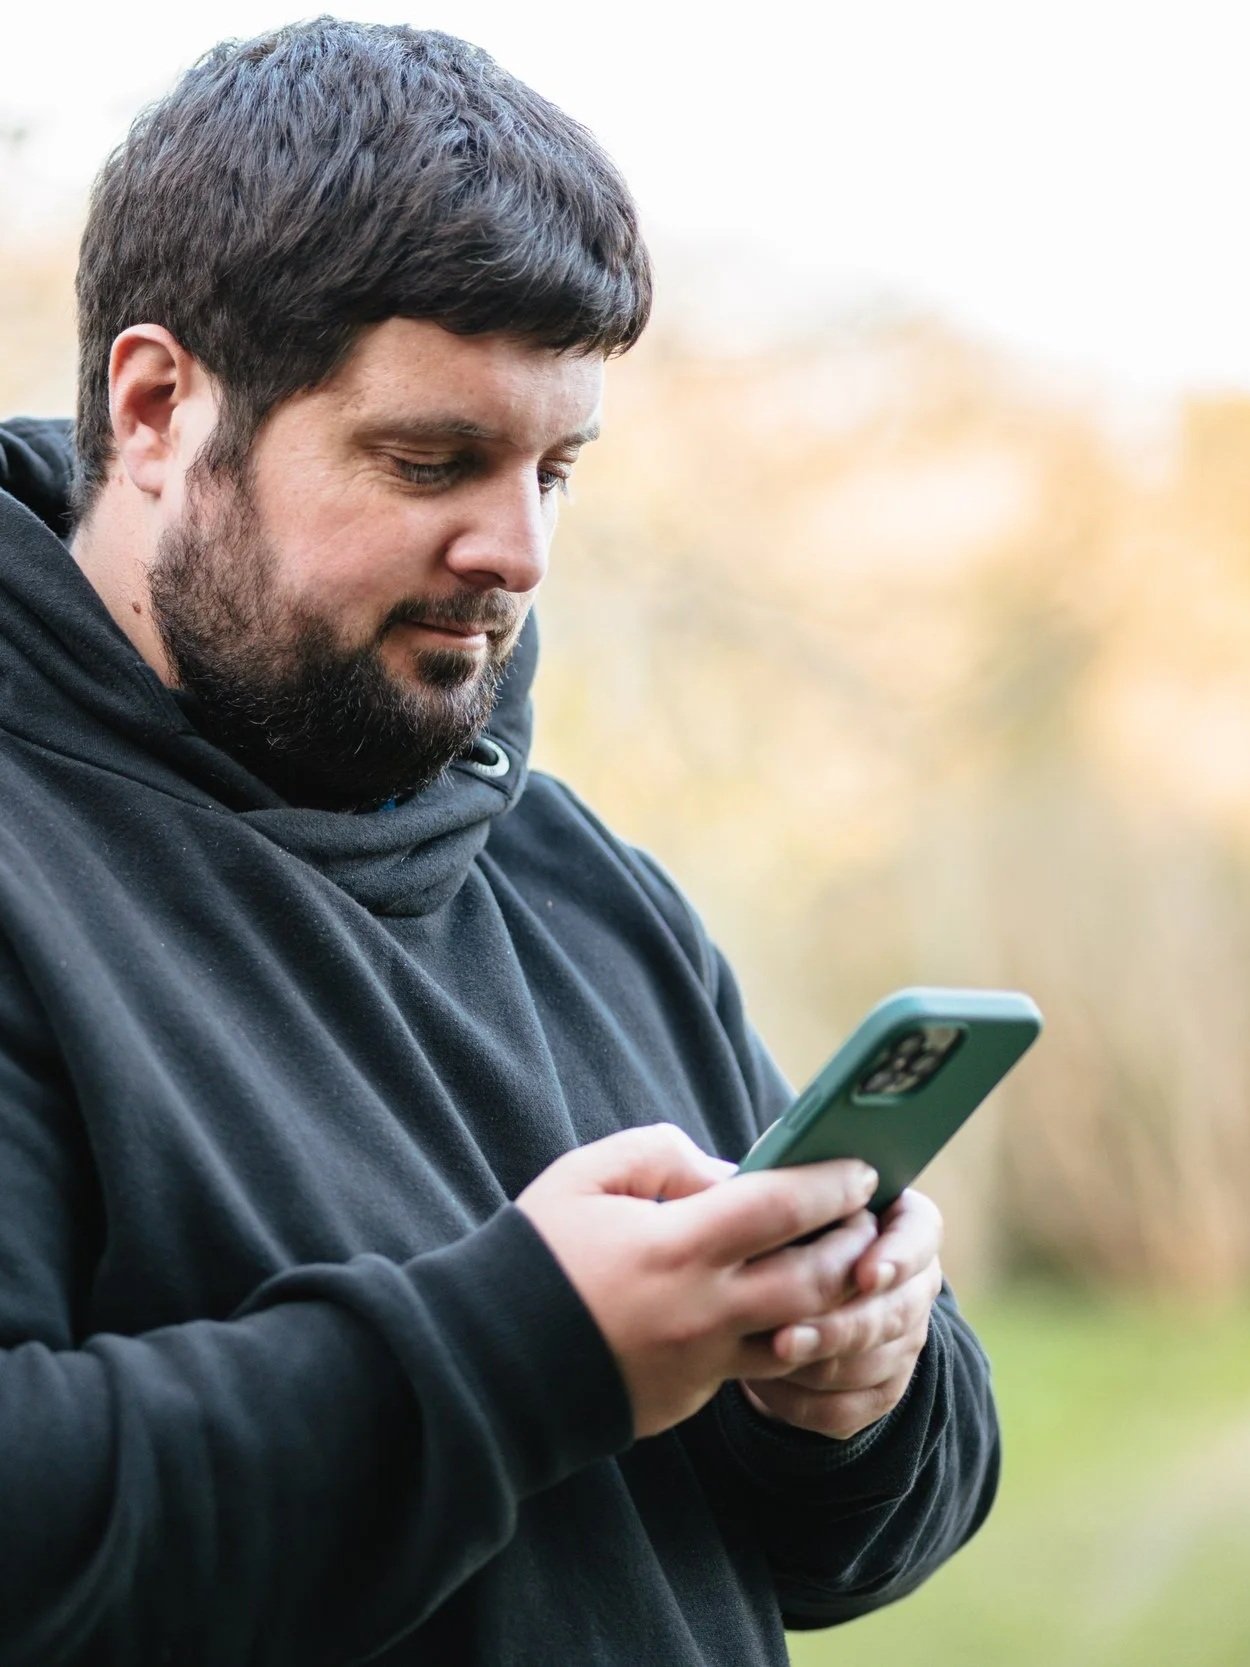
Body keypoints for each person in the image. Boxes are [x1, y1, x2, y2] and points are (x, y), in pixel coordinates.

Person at [0, 20, 999, 1665]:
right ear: (163, 405)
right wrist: (534, 1346)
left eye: (556, 467)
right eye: (433, 460)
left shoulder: (581, 880)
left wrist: (863, 1386)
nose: (519, 550)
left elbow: (840, 1555)